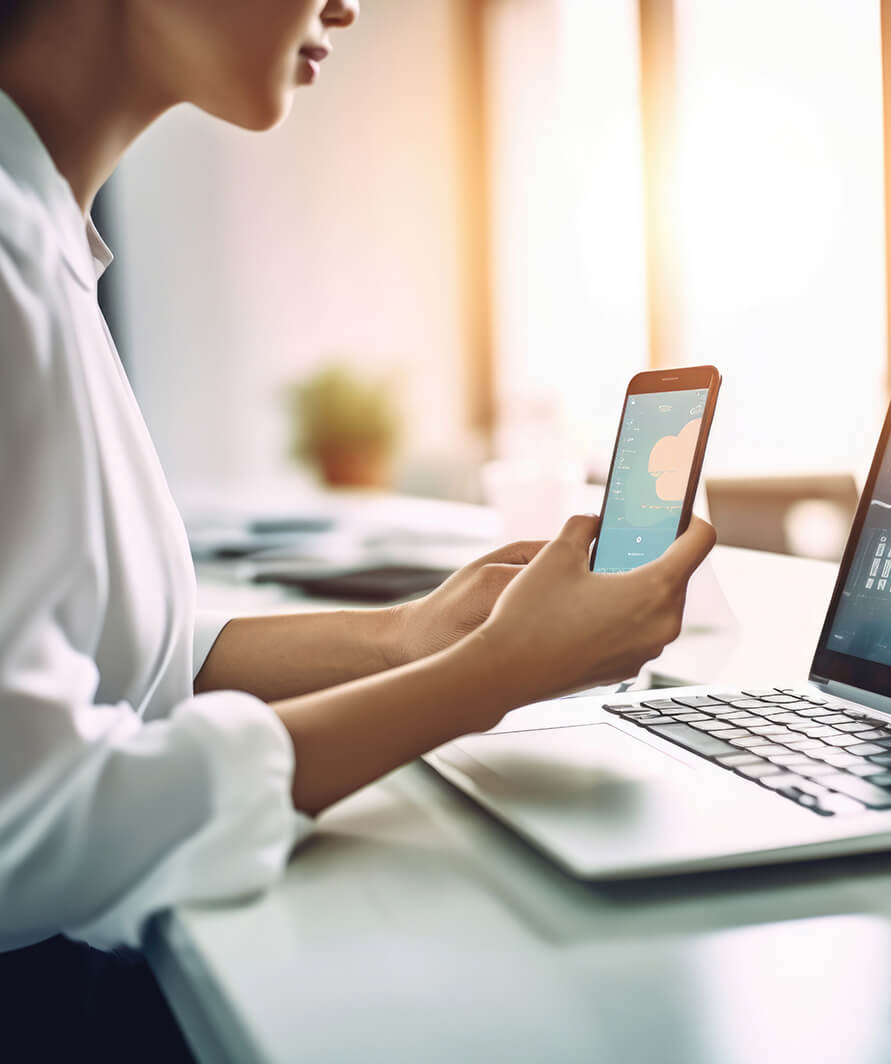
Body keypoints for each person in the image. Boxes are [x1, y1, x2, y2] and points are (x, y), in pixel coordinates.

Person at [0, 0, 716, 1057]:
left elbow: (101, 667)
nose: (349, 4)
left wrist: (411, 637)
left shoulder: (42, 237)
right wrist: (492, 676)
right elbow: (33, 823)